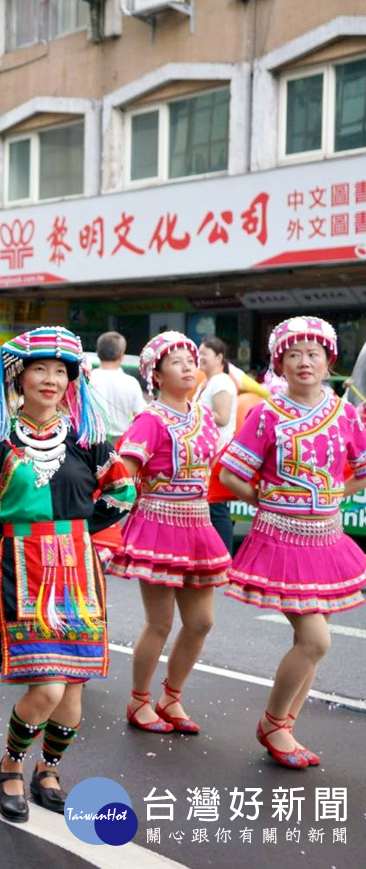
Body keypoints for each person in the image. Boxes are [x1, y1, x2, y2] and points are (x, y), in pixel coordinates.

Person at [0, 327, 135, 823]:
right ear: (19, 377)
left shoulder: (87, 438)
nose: (50, 380)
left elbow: (122, 493)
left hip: (78, 566)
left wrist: (77, 530)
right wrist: (8, 536)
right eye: (39, 369)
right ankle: (9, 765)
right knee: (47, 686)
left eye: (60, 371)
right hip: (21, 566)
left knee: (73, 688)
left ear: (71, 380)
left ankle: (49, 769)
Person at [218, 316, 366, 769]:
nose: (304, 362)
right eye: (294, 355)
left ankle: (284, 726)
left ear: (329, 362)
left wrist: (331, 497)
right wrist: (268, 499)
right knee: (316, 640)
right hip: (281, 540)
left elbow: (361, 470)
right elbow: (230, 474)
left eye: (313, 354)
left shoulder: (344, 413)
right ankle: (272, 723)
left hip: (327, 540)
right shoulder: (265, 413)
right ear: (279, 363)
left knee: (313, 640)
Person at [109, 332, 230, 736]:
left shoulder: (202, 416)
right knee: (159, 623)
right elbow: (122, 473)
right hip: (158, 524)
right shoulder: (150, 419)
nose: (187, 366)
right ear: (156, 375)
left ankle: (171, 697)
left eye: (190, 360)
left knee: (202, 622)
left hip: (198, 523)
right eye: (175, 361)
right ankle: (139, 699)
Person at [197, 336, 237, 551]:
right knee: (211, 506)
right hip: (207, 453)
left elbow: (221, 417)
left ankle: (224, 555)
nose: (200, 357)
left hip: (218, 452)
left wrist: (191, 412)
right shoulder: (207, 382)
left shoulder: (221, 381)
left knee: (217, 507)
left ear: (219, 357)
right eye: (199, 353)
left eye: (205, 353)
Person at [88, 331, 145, 441]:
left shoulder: (88, 380)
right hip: (121, 443)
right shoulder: (131, 383)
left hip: (92, 440)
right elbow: (141, 415)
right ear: (121, 355)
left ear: (98, 353)